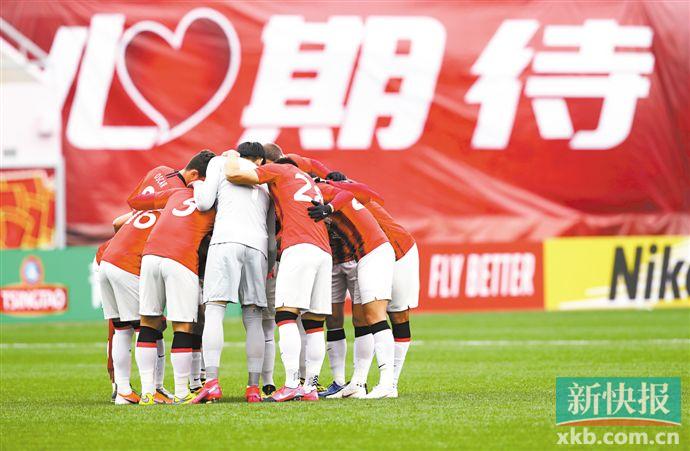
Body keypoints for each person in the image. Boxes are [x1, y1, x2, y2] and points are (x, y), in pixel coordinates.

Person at [224, 149, 351, 402]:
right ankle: (310, 387)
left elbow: (235, 175)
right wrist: (329, 205)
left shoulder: (278, 169)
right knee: (314, 323)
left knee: (285, 315)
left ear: (267, 161)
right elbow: (347, 191)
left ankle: (292, 383)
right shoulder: (307, 180)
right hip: (323, 251)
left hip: (299, 247)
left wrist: (230, 157)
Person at [98, 162, 196, 404]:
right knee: (151, 326)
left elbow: (117, 222)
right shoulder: (174, 214)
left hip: (105, 259)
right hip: (128, 266)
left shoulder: (146, 206)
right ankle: (153, 389)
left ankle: (122, 390)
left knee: (121, 328)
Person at [131, 150, 216, 405]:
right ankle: (181, 391)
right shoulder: (215, 203)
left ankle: (148, 393)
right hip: (180, 259)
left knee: (148, 322)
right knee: (183, 326)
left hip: (150, 255)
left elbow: (136, 201)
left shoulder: (175, 193)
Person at [190, 142, 274, 404]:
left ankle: (212, 383)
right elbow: (271, 233)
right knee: (254, 317)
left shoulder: (220, 162)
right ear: (260, 160)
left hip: (226, 240)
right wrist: (268, 263)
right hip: (258, 247)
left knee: (215, 309)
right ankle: (253, 388)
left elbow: (204, 203)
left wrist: (196, 185)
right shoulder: (267, 179)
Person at [309, 180, 397, 399]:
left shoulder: (321, 189)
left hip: (373, 252)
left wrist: (329, 204)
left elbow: (352, 194)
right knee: (366, 317)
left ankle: (387, 384)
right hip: (365, 255)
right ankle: (358, 383)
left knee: (374, 316)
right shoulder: (313, 190)